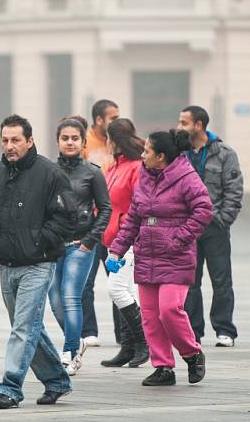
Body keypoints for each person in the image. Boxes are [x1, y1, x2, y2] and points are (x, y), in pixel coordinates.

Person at [0, 114, 75, 409]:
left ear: (29, 140)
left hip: (39, 263)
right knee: (29, 325)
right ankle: (57, 380)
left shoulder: (50, 174)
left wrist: (38, 240)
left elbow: (67, 218)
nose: (10, 146)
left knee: (22, 327)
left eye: (15, 140)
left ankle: (10, 388)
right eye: (5, 140)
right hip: (6, 263)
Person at [108, 130, 213, 386]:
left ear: (162, 156)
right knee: (150, 316)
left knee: (169, 310)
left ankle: (192, 353)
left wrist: (179, 239)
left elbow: (204, 209)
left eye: (147, 151)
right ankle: (163, 367)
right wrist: (116, 249)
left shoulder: (186, 177)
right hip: (147, 253)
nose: (142, 155)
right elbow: (134, 216)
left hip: (176, 256)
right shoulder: (146, 175)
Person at [47, 116, 112, 375]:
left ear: (83, 142)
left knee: (71, 297)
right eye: (65, 138)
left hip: (80, 245)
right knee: (54, 300)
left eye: (75, 138)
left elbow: (106, 209)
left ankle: (70, 353)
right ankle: (78, 339)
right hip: (53, 246)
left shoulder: (92, 172)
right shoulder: (48, 172)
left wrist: (90, 240)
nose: (70, 142)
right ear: (58, 141)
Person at [179, 106, 243, 348]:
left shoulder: (225, 153)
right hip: (187, 228)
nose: (180, 127)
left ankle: (225, 329)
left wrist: (223, 219)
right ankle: (193, 331)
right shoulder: (179, 153)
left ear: (198, 125)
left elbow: (234, 190)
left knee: (221, 279)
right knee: (189, 282)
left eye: (184, 123)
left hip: (215, 227)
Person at [99, 118, 149, 368]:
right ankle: (128, 348)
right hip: (112, 241)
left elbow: (138, 206)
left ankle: (143, 343)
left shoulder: (137, 168)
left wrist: (123, 233)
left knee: (117, 289)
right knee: (125, 292)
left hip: (128, 240)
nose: (106, 143)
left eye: (108, 138)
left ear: (116, 141)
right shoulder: (112, 168)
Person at [81, 99, 121, 348]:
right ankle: (89, 330)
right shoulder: (85, 143)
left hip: (115, 223)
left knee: (117, 281)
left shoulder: (118, 142)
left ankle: (123, 333)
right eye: (112, 117)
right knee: (85, 280)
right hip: (89, 222)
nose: (116, 121)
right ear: (99, 120)